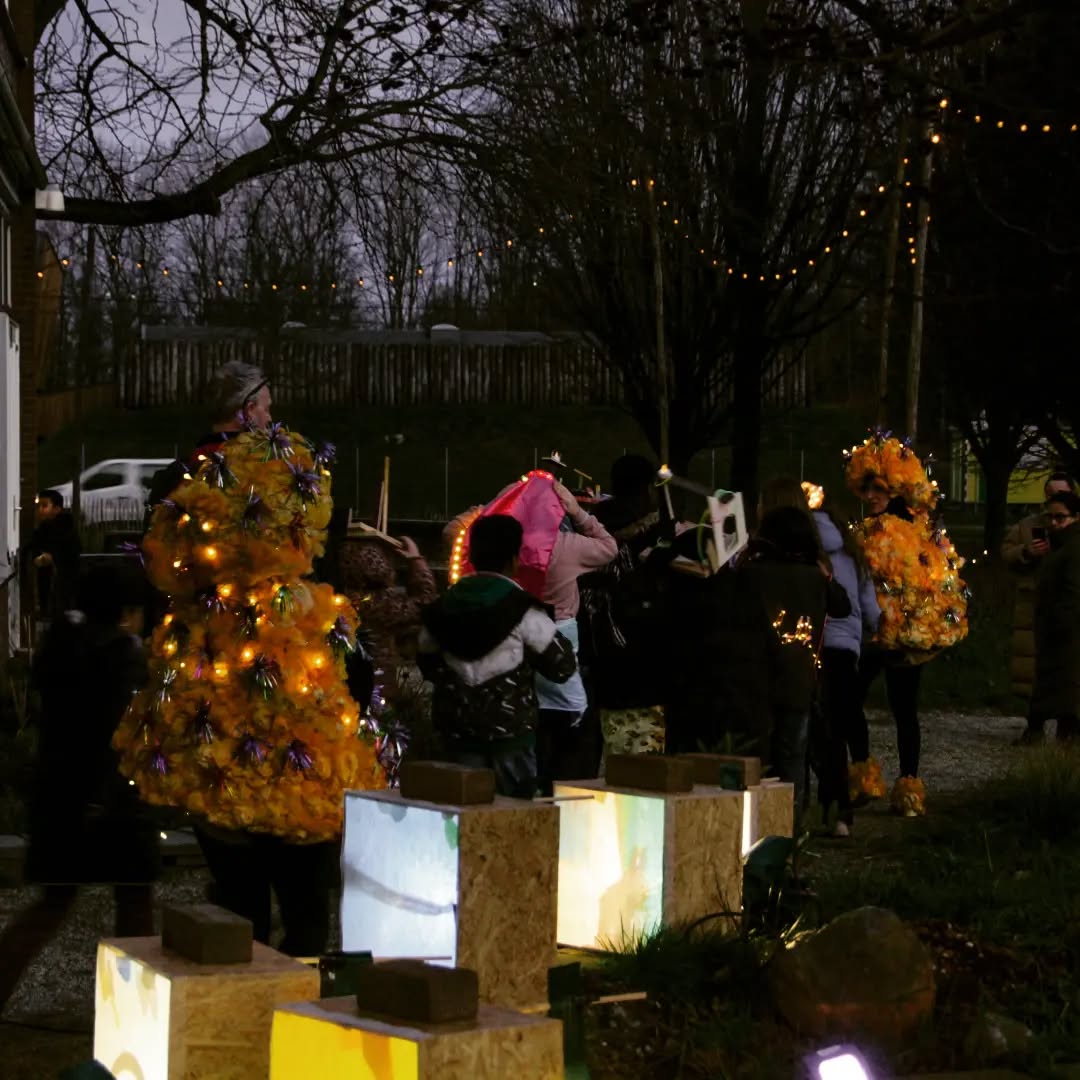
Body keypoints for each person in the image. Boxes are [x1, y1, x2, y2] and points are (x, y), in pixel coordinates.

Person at [0, 564, 158, 1013]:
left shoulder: (62, 646)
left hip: (61, 794)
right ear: (128, 611)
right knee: (134, 901)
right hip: (110, 798)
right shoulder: (122, 655)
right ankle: (136, 1008)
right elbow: (119, 729)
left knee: (52, 901)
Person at [418, 514, 577, 798]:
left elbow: (427, 662)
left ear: (472, 556)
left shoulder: (442, 607)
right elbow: (562, 666)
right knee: (515, 825)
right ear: (514, 559)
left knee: (459, 823)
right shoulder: (524, 610)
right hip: (512, 744)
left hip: (456, 742)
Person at [738, 506, 851, 816]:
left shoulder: (752, 574)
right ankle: (790, 827)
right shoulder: (814, 577)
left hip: (757, 679)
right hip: (800, 680)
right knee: (792, 758)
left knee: (758, 758)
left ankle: (755, 825)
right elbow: (841, 607)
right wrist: (827, 577)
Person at [579, 454, 672, 764]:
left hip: (599, 648)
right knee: (645, 755)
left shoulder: (592, 527)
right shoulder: (659, 530)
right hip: (648, 653)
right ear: (647, 487)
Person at [534, 480, 616, 793]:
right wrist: (580, 513)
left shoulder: (515, 544)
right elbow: (609, 547)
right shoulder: (565, 545)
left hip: (524, 645)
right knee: (573, 723)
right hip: (564, 640)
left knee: (538, 727)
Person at [850, 475, 925, 805]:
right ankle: (864, 774)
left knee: (904, 707)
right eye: (866, 489)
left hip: (902, 635)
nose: (870, 496)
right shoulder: (864, 530)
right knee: (851, 699)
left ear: (894, 491)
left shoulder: (914, 531)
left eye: (878, 489)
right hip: (870, 634)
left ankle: (908, 785)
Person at [812, 497, 881, 837]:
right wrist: (876, 627)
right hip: (846, 646)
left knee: (819, 728)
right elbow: (869, 604)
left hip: (813, 641)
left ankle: (828, 801)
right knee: (840, 724)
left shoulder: (805, 548)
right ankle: (842, 810)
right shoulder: (854, 555)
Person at [144, 359, 274, 524]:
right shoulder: (269, 476)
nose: (270, 418)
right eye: (267, 409)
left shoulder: (177, 476)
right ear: (248, 410)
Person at [1002, 471, 1076, 744]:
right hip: (1033, 604)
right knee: (1033, 668)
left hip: (1065, 611)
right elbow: (1007, 552)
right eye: (1050, 494)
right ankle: (1035, 724)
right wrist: (1027, 552)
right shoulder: (1029, 525)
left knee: (1066, 671)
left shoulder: (1073, 530)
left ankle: (1066, 727)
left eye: (1061, 493)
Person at [1029, 490, 1080, 742]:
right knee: (1053, 680)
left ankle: (1061, 732)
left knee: (1064, 681)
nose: (1054, 522)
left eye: (1060, 518)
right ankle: (1050, 730)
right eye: (1050, 517)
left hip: (1063, 627)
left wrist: (1060, 622)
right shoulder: (1059, 544)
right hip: (1054, 624)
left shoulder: (1072, 547)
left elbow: (1072, 589)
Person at [27, 489, 81, 624]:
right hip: (47, 589)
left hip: (64, 589)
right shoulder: (42, 530)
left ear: (57, 509)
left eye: (44, 506)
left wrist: (52, 557)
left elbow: (71, 552)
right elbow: (34, 549)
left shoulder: (66, 529)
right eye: (39, 506)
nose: (40, 510)